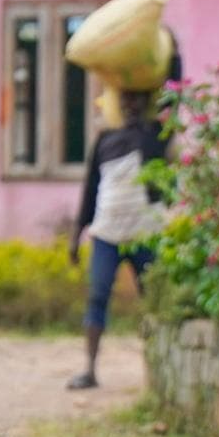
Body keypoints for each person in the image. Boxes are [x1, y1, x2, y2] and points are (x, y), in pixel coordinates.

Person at [66, 87, 170, 391]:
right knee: (97, 296)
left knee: (154, 300)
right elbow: (90, 189)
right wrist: (76, 235)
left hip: (145, 232)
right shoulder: (105, 139)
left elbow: (173, 90)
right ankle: (90, 369)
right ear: (117, 103)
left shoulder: (155, 135)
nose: (131, 104)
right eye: (126, 98)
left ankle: (158, 373)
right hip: (107, 232)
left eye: (138, 98)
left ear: (147, 102)